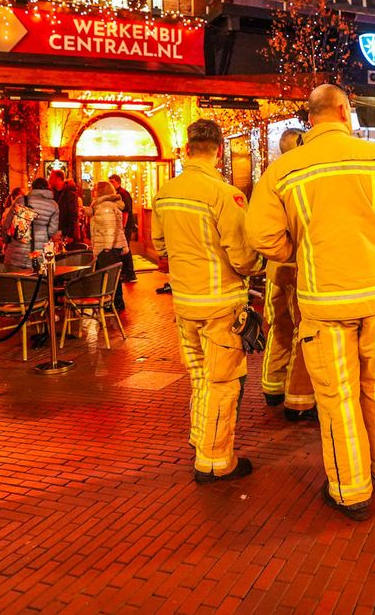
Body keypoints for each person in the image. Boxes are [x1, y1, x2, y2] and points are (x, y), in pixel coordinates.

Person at [247, 84, 375, 521]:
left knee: (336, 396)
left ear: (311, 117)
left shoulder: (284, 171)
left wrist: (299, 252)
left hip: (322, 301)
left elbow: (262, 235)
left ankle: (350, 488)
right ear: (344, 111)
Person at [153, 119, 263, 484]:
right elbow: (243, 255)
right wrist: (258, 265)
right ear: (217, 151)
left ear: (187, 149)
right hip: (221, 303)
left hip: (184, 303)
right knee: (223, 382)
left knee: (200, 378)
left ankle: (201, 442)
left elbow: (161, 248)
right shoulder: (223, 194)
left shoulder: (166, 193)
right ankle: (216, 460)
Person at [259, 127, 316, 421]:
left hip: (274, 267)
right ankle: (299, 399)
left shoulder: (271, 176)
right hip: (295, 267)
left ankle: (272, 386)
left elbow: (260, 230)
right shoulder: (300, 176)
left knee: (277, 327)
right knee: (301, 332)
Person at [3, 178, 60, 272]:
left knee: (15, 282)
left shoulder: (21, 200)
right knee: (36, 283)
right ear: (47, 188)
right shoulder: (53, 205)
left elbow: (7, 224)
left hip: (16, 252)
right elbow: (52, 231)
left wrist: (6, 241)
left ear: (32, 188)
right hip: (39, 254)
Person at [89, 180, 128, 311]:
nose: (92, 192)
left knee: (110, 278)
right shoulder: (107, 206)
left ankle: (113, 304)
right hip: (112, 247)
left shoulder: (105, 207)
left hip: (108, 248)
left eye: (94, 189)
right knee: (113, 278)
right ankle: (115, 303)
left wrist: (107, 248)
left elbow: (110, 229)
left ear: (100, 191)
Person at [110, 175, 138, 283]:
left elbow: (125, 211)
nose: (111, 184)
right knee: (123, 248)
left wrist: (123, 226)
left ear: (117, 182)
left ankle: (130, 273)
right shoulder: (118, 194)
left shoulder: (122, 194)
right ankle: (126, 272)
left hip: (125, 226)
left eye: (112, 181)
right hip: (123, 226)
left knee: (125, 248)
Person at [48, 170, 79, 243]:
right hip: (52, 234)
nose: (49, 180)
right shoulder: (50, 194)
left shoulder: (70, 195)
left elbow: (73, 217)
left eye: (51, 178)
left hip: (65, 235)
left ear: (58, 179)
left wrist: (67, 233)